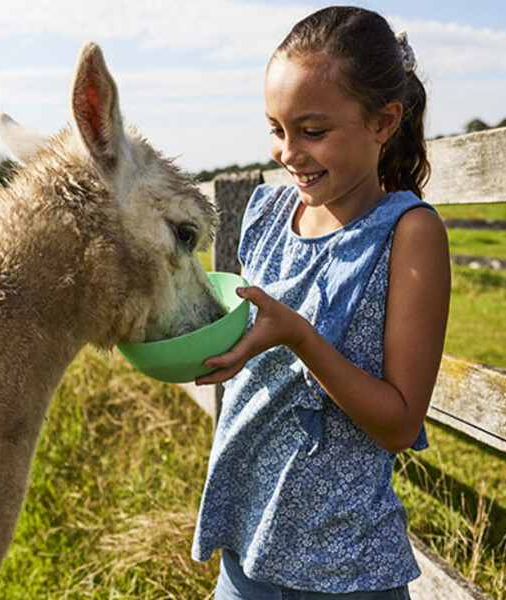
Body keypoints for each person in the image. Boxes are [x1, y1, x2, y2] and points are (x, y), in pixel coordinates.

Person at [191, 6, 451, 599]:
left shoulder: (408, 233)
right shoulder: (264, 215)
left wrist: (301, 336)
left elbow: (400, 422)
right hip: (246, 552)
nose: (290, 152)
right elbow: (246, 348)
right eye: (276, 130)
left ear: (384, 122)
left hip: (346, 567)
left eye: (313, 131)